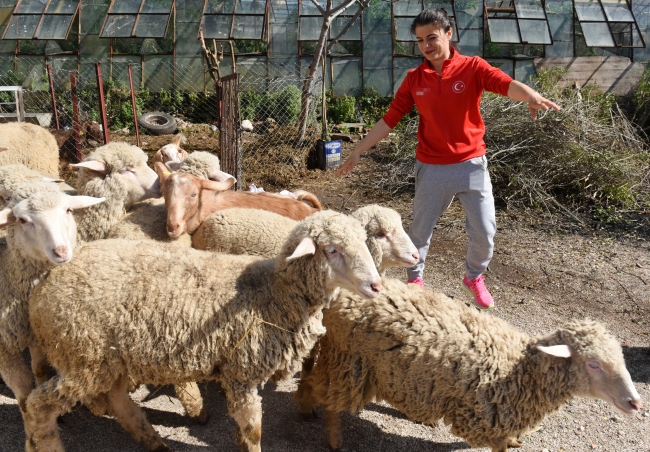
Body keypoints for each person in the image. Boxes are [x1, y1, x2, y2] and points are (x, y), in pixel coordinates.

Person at [336, 8, 560, 309]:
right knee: (420, 232)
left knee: (484, 230)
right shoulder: (415, 78)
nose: (426, 45)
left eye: (432, 37)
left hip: (472, 166)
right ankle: (415, 281)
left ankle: (474, 277)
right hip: (432, 168)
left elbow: (504, 84)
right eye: (419, 40)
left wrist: (530, 95)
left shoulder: (472, 68)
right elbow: (390, 119)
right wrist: (359, 149)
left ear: (448, 34)